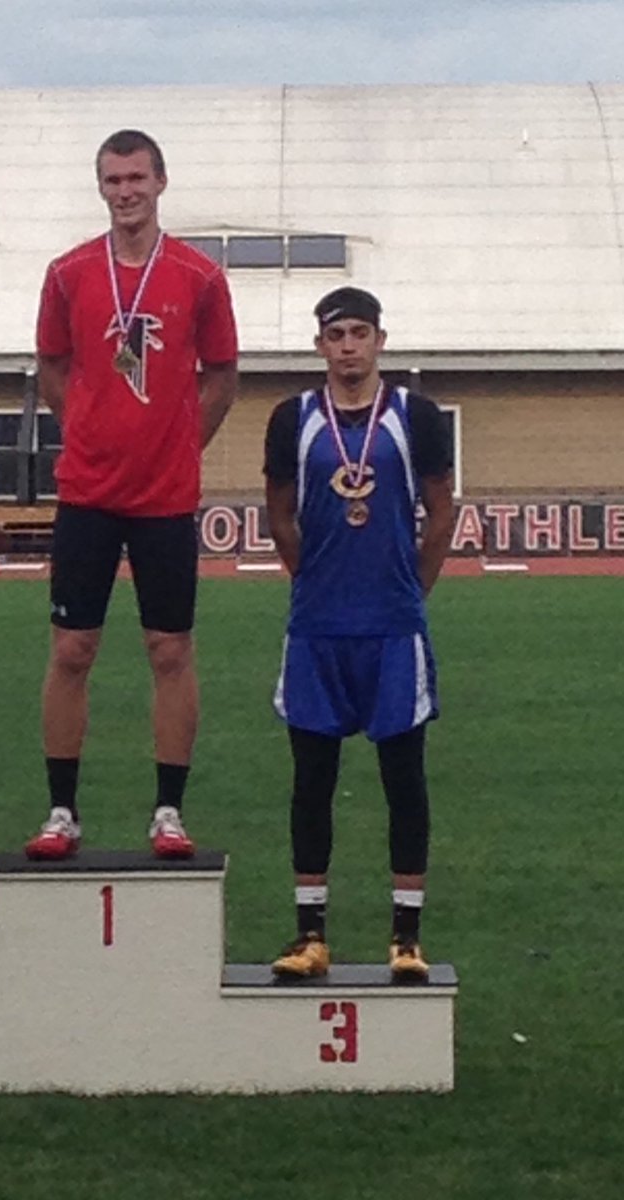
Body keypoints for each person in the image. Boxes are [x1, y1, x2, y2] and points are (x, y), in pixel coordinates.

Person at [25, 129, 239, 861]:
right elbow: (53, 365)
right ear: (101, 187)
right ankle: (61, 810)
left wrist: (179, 445)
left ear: (161, 181)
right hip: (87, 491)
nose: (126, 191)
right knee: (73, 648)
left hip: (166, 497)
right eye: (113, 180)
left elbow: (222, 375)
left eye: (137, 178)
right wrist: (87, 428)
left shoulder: (200, 276)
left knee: (170, 648)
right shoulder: (68, 273)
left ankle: (169, 812)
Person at [263, 286, 454, 981]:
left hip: (392, 629)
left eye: (359, 333)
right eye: (335, 334)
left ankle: (406, 939)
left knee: (404, 781)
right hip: (317, 629)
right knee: (311, 782)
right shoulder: (293, 419)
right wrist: (305, 575)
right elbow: (279, 510)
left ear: (379, 340)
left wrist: (414, 588)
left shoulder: (415, 416)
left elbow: (441, 508)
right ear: (320, 344)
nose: (348, 346)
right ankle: (309, 935)